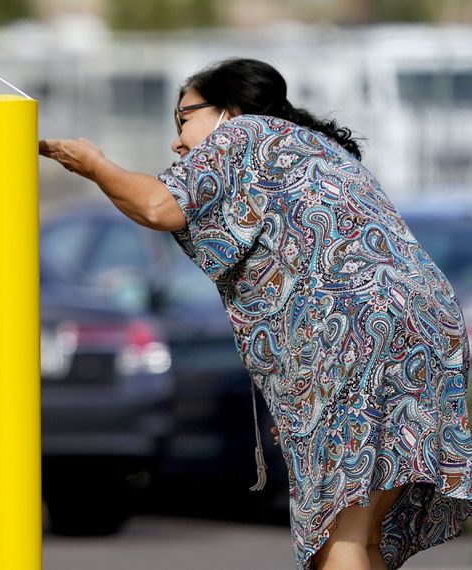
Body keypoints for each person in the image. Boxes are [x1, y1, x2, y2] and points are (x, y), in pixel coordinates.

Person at [39, 57, 472, 570]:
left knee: (337, 539)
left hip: (350, 335)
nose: (177, 142)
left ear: (229, 109)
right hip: (428, 332)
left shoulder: (242, 133)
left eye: (184, 119)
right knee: (362, 534)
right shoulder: (318, 149)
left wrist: (94, 165)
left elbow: (158, 207)